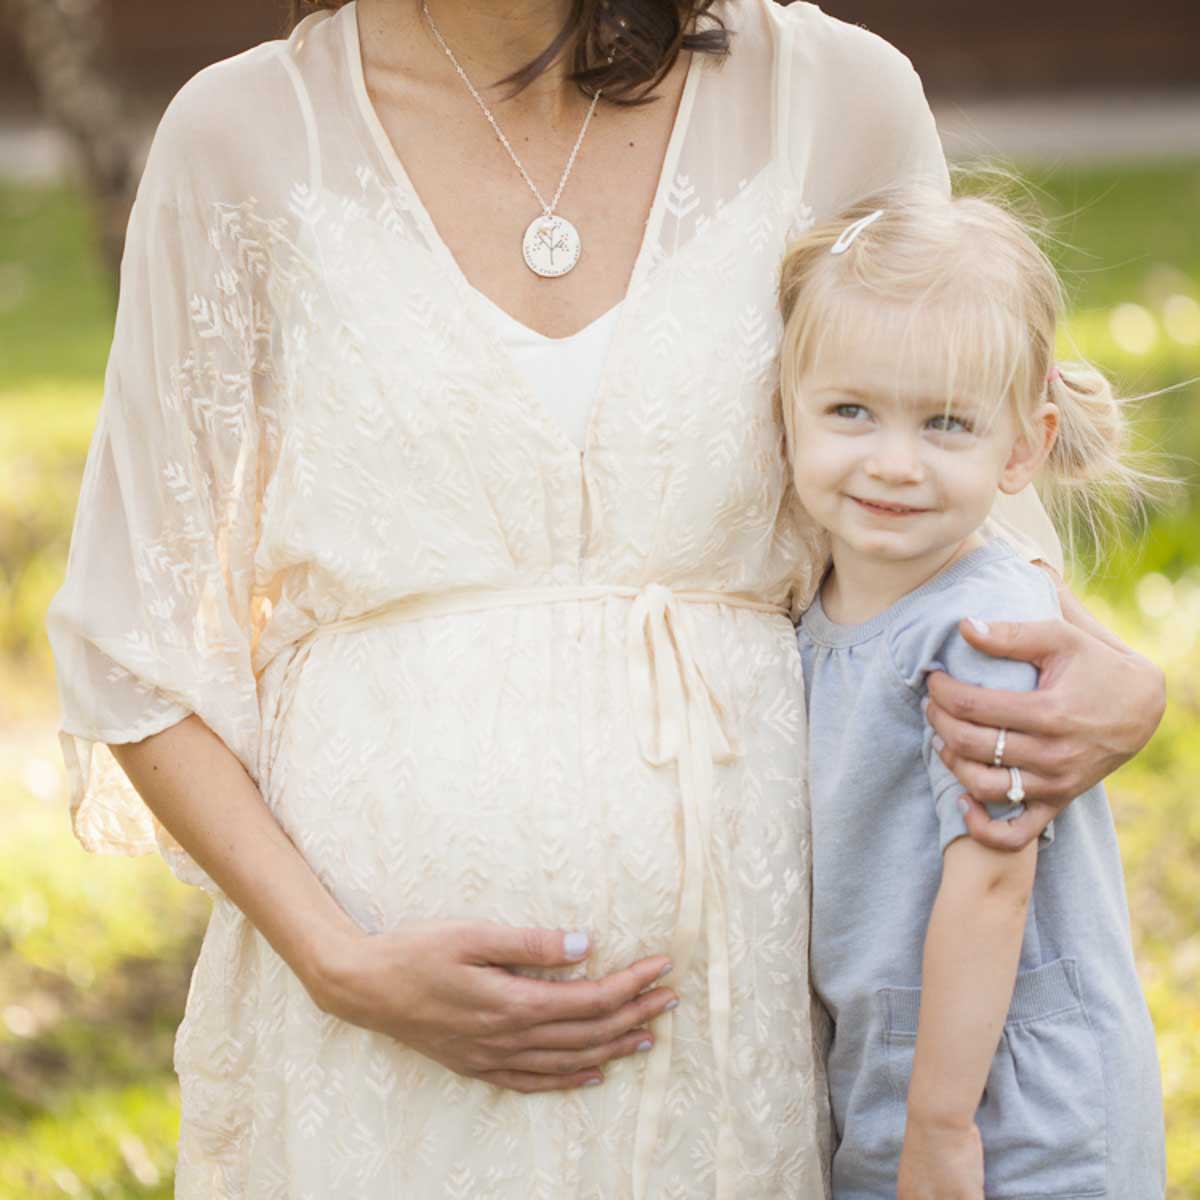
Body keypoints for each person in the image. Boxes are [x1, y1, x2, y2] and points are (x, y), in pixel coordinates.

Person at [43, 0, 1164, 1195]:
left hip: (746, 1020)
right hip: (373, 1058)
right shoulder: (240, 130)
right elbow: (132, 650)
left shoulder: (834, 95)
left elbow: (965, 501)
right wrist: (338, 963)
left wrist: (1124, 687)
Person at [783, 187, 1166, 1199]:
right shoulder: (817, 611)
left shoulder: (983, 627)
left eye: (945, 423)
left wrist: (942, 1126)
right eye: (851, 411)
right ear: (788, 406)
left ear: (1022, 449)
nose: (894, 463)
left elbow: (993, 884)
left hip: (1014, 1115)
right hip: (900, 1075)